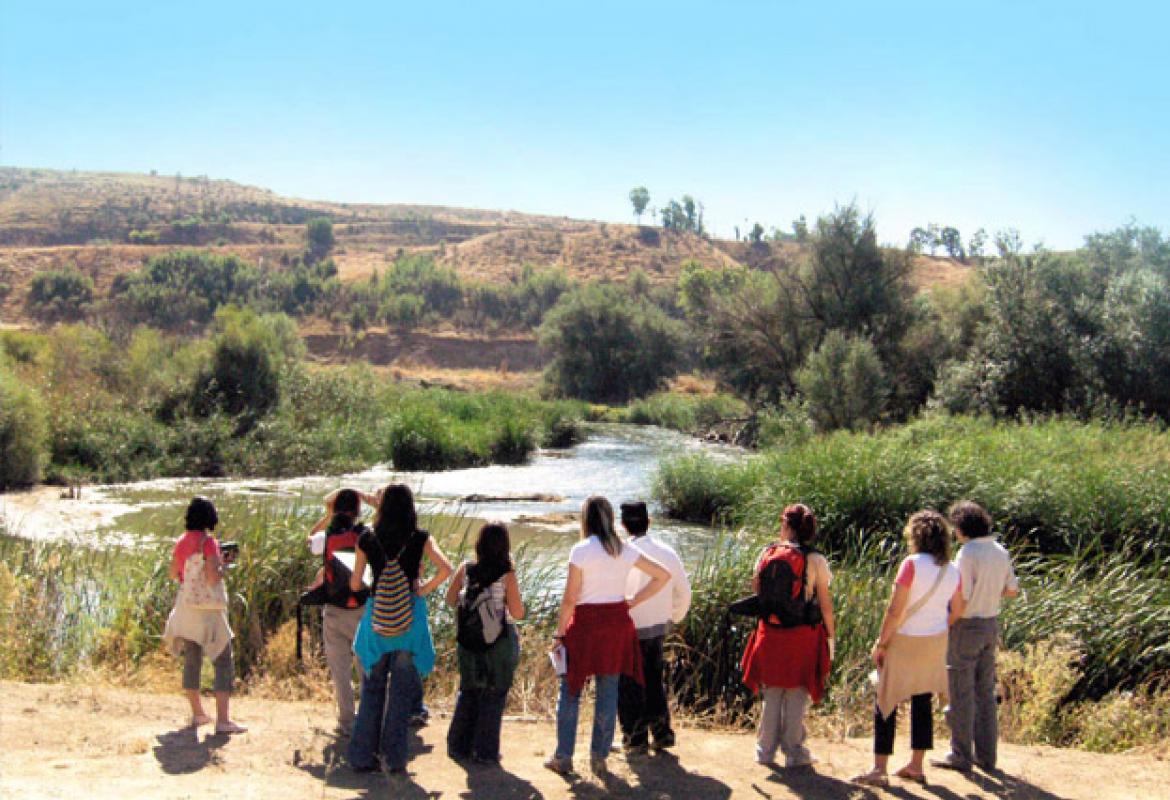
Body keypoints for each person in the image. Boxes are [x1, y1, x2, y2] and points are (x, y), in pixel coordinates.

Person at [544, 496, 671, 777]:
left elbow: (569, 599)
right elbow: (663, 576)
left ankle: (564, 756)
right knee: (609, 690)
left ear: (585, 519)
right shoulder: (623, 549)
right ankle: (599, 757)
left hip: (586, 624)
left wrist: (559, 632)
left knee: (571, 690)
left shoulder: (581, 550)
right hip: (617, 624)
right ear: (611, 518)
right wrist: (632, 601)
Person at [853, 510, 965, 788]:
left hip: (905, 640)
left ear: (916, 536)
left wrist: (881, 642)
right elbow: (959, 608)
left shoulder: (911, 564)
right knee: (922, 700)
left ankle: (880, 768)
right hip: (935, 640)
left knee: (886, 700)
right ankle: (916, 764)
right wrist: (940, 624)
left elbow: (895, 609)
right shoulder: (952, 570)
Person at [346, 484, 452, 774]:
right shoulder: (420, 538)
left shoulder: (366, 537)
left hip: (377, 621)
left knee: (372, 690)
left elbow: (355, 585)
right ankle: (394, 760)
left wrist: (372, 586)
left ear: (381, 507)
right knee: (402, 694)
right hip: (410, 622)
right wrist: (421, 591)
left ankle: (361, 757)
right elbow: (447, 568)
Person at [740, 503, 834, 768]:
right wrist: (831, 636)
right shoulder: (816, 559)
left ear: (788, 526)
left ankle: (765, 751)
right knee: (796, 692)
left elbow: (757, 588)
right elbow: (825, 603)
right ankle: (794, 752)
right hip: (802, 635)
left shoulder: (768, 552)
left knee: (772, 692)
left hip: (770, 631)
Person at [932, 501, 1019, 772]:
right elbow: (1012, 590)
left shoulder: (968, 553)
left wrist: (946, 620)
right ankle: (987, 756)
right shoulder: (1000, 551)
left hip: (966, 625)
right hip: (990, 624)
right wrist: (990, 591)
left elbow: (963, 595)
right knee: (984, 692)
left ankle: (960, 753)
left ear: (962, 528)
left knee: (961, 691)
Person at [162, 496, 246, 735]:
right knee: (223, 661)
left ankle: (198, 713)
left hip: (186, 607)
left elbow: (173, 573)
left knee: (192, 660)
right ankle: (223, 720)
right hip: (209, 611)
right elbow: (212, 577)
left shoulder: (180, 542)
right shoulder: (208, 543)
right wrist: (223, 565)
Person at [444, 521, 526, 765]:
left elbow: (450, 600)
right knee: (494, 693)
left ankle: (458, 745)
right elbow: (518, 613)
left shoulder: (465, 568)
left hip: (468, 640)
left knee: (469, 690)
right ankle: (485, 751)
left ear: (479, 544)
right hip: (499, 641)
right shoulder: (507, 574)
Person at [617, 501, 691, 755]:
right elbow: (684, 592)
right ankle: (661, 733)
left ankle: (635, 738)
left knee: (629, 683)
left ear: (623, 524)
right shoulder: (667, 552)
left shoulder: (622, 553)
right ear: (649, 522)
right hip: (657, 626)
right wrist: (673, 616)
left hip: (627, 627)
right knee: (653, 679)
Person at [304, 488, 370, 736]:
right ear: (357, 511)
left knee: (340, 671)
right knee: (366, 668)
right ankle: (368, 720)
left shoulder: (326, 536)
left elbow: (310, 539)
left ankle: (346, 723)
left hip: (334, 609)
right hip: (363, 608)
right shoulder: (366, 534)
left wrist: (327, 515)